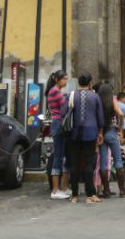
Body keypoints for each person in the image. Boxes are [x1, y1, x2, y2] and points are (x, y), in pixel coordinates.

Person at [61, 73, 105, 204]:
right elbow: (100, 117)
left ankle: (74, 195)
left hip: (73, 134)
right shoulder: (95, 96)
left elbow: (63, 113)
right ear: (90, 82)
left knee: (74, 164)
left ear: (78, 83)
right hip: (90, 133)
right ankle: (90, 194)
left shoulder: (70, 95)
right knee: (89, 164)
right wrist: (100, 132)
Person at [96, 83, 125, 198]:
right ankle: (122, 190)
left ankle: (106, 190)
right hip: (111, 132)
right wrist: (120, 129)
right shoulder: (112, 100)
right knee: (118, 160)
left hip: (101, 133)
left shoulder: (98, 100)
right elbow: (121, 114)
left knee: (103, 163)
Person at [45, 70, 71, 199]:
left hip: (58, 124)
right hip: (58, 124)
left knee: (63, 156)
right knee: (58, 157)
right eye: (64, 79)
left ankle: (63, 188)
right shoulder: (55, 91)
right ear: (57, 80)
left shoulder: (55, 91)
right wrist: (68, 97)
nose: (66, 81)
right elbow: (65, 106)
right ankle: (55, 190)